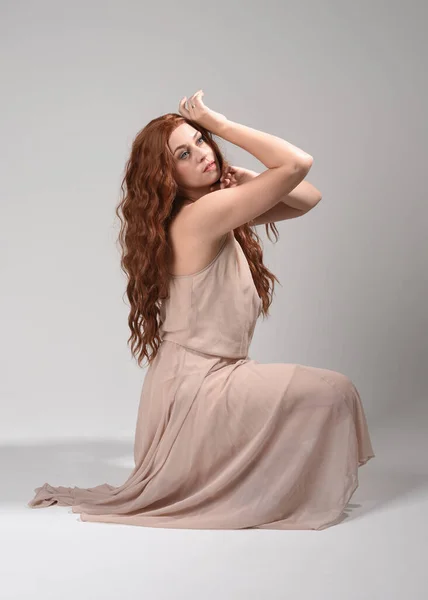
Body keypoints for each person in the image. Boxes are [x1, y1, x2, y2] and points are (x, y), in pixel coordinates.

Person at [28, 90, 375, 530]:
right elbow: (296, 164)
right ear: (166, 174)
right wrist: (220, 123)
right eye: (184, 153)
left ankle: (256, 482)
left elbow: (308, 198)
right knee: (334, 390)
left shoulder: (205, 212)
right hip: (199, 392)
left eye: (202, 140)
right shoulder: (202, 216)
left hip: (189, 387)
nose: (204, 154)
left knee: (329, 392)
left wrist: (245, 175)